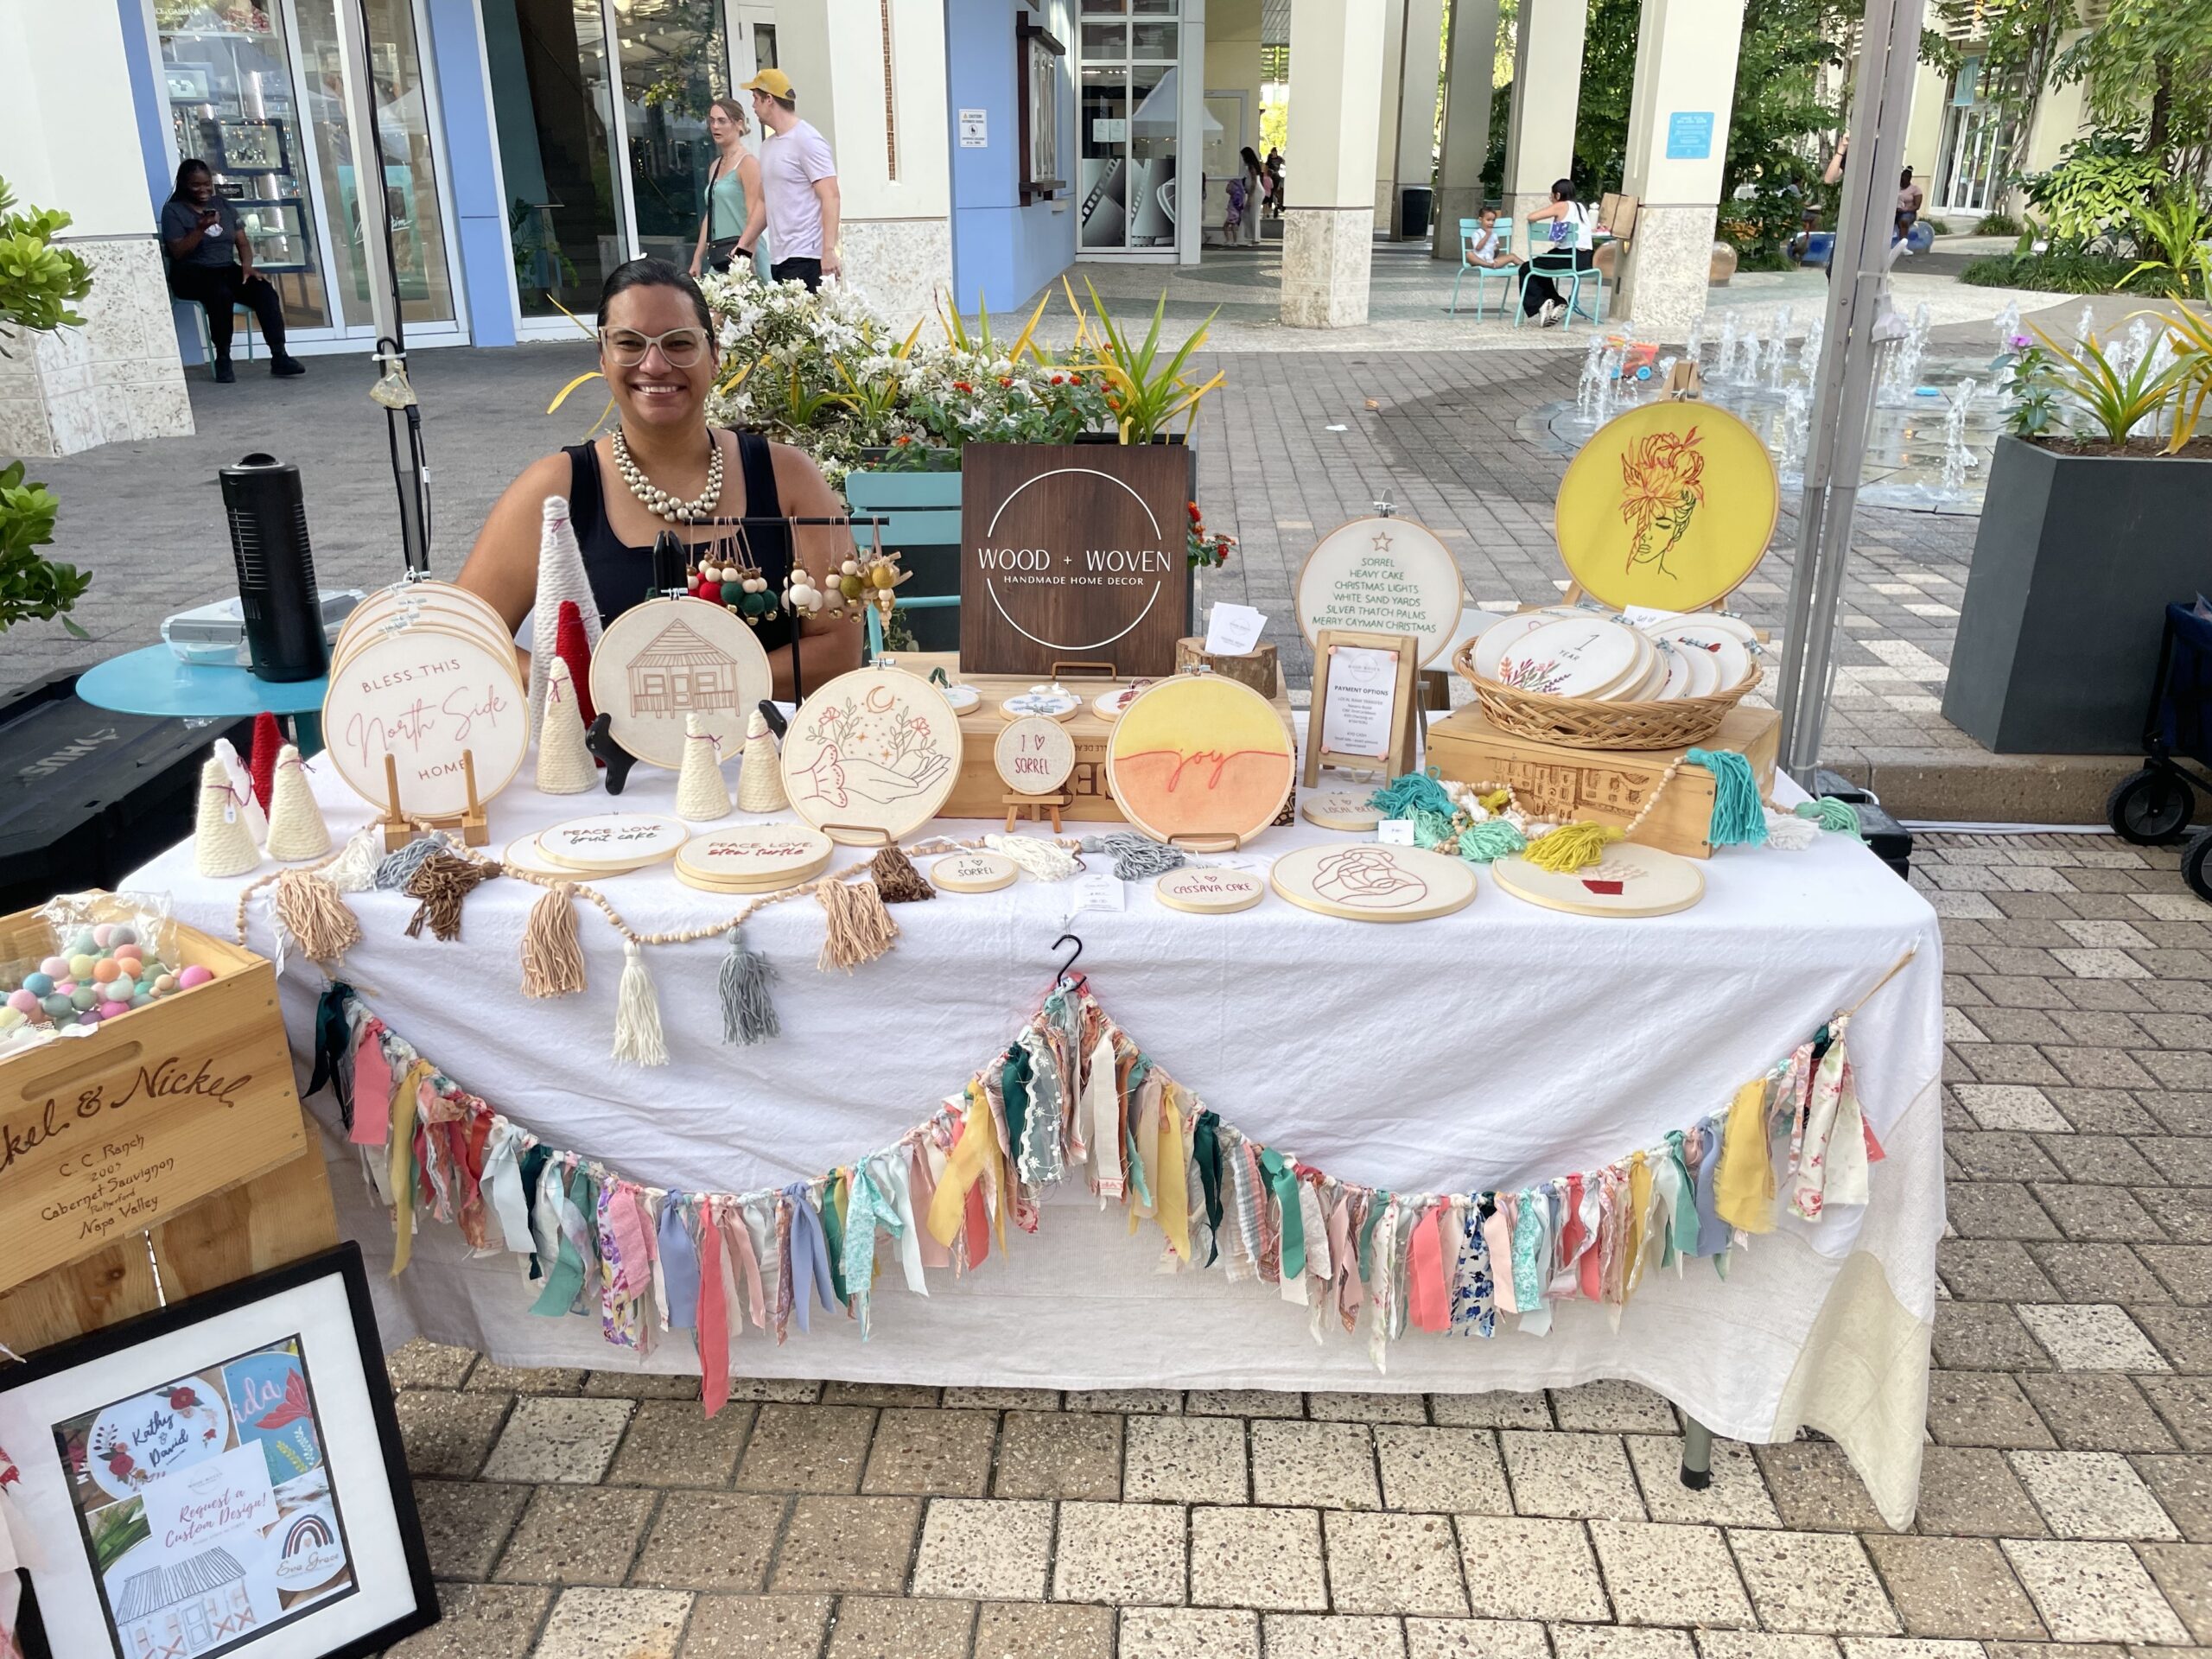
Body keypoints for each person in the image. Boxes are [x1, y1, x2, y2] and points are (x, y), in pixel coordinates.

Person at [458, 258, 861, 700]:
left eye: (679, 343)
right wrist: (580, 689)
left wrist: (670, 690)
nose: (654, 364)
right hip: (604, 746)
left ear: (714, 357)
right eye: (630, 343)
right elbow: (465, 635)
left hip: (766, 742)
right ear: (603, 358)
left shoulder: (788, 478)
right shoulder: (556, 490)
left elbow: (839, 649)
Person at [162, 160, 304, 383]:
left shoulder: (223, 205)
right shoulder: (173, 210)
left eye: (207, 184)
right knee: (220, 294)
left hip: (226, 268)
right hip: (191, 272)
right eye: (196, 185)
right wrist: (200, 228)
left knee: (264, 291)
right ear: (184, 185)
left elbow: (242, 243)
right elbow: (178, 252)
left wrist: (247, 265)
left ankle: (279, 356)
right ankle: (223, 358)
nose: (203, 190)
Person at [733, 67, 839, 291]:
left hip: (808, 256)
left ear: (769, 99)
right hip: (780, 257)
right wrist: (744, 245)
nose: (753, 106)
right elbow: (765, 200)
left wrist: (828, 251)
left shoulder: (807, 140)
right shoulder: (768, 146)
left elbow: (830, 195)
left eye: (756, 99)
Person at [690, 96, 768, 280]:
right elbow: (711, 214)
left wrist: (747, 256)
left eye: (722, 121)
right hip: (721, 255)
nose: (715, 126)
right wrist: (697, 258)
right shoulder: (715, 166)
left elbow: (755, 215)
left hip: (744, 255)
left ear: (738, 124)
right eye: (712, 121)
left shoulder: (748, 163)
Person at [1521, 177, 1595, 326]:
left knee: (1527, 268)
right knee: (1542, 266)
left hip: (1568, 257)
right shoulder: (1581, 208)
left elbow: (1531, 217)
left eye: (1552, 195)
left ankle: (1542, 303)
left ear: (1558, 195)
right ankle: (1558, 302)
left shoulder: (1561, 205)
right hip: (1584, 260)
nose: (1551, 198)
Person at [1465, 206, 1520, 271]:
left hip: (1491, 262)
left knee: (1512, 256)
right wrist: (1487, 235)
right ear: (1480, 220)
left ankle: (1528, 267)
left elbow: (1496, 252)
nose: (1491, 223)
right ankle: (1487, 265)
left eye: (1493, 220)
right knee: (1469, 254)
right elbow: (1478, 248)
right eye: (1488, 220)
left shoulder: (1494, 235)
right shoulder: (1477, 233)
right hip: (1478, 261)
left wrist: (1497, 248)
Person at [1895, 167, 1923, 240]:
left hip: (1908, 212)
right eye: (1901, 178)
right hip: (1896, 211)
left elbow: (1917, 206)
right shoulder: (1896, 188)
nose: (1902, 180)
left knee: (1903, 221)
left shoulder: (1915, 189)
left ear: (1909, 179)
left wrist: (1905, 209)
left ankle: (1903, 242)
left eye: (1904, 178)